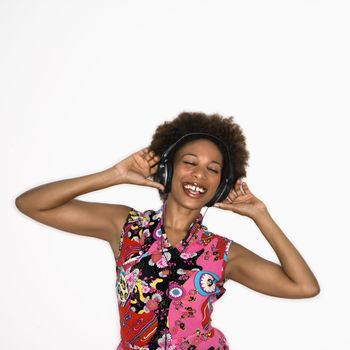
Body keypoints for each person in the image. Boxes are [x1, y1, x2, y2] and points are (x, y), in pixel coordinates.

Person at [15, 111, 320, 350]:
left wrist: (260, 215)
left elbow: (304, 287)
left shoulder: (222, 253)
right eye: (190, 162)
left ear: (221, 184)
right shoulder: (126, 227)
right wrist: (114, 175)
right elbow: (31, 204)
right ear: (167, 169)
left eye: (213, 169)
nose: (200, 174)